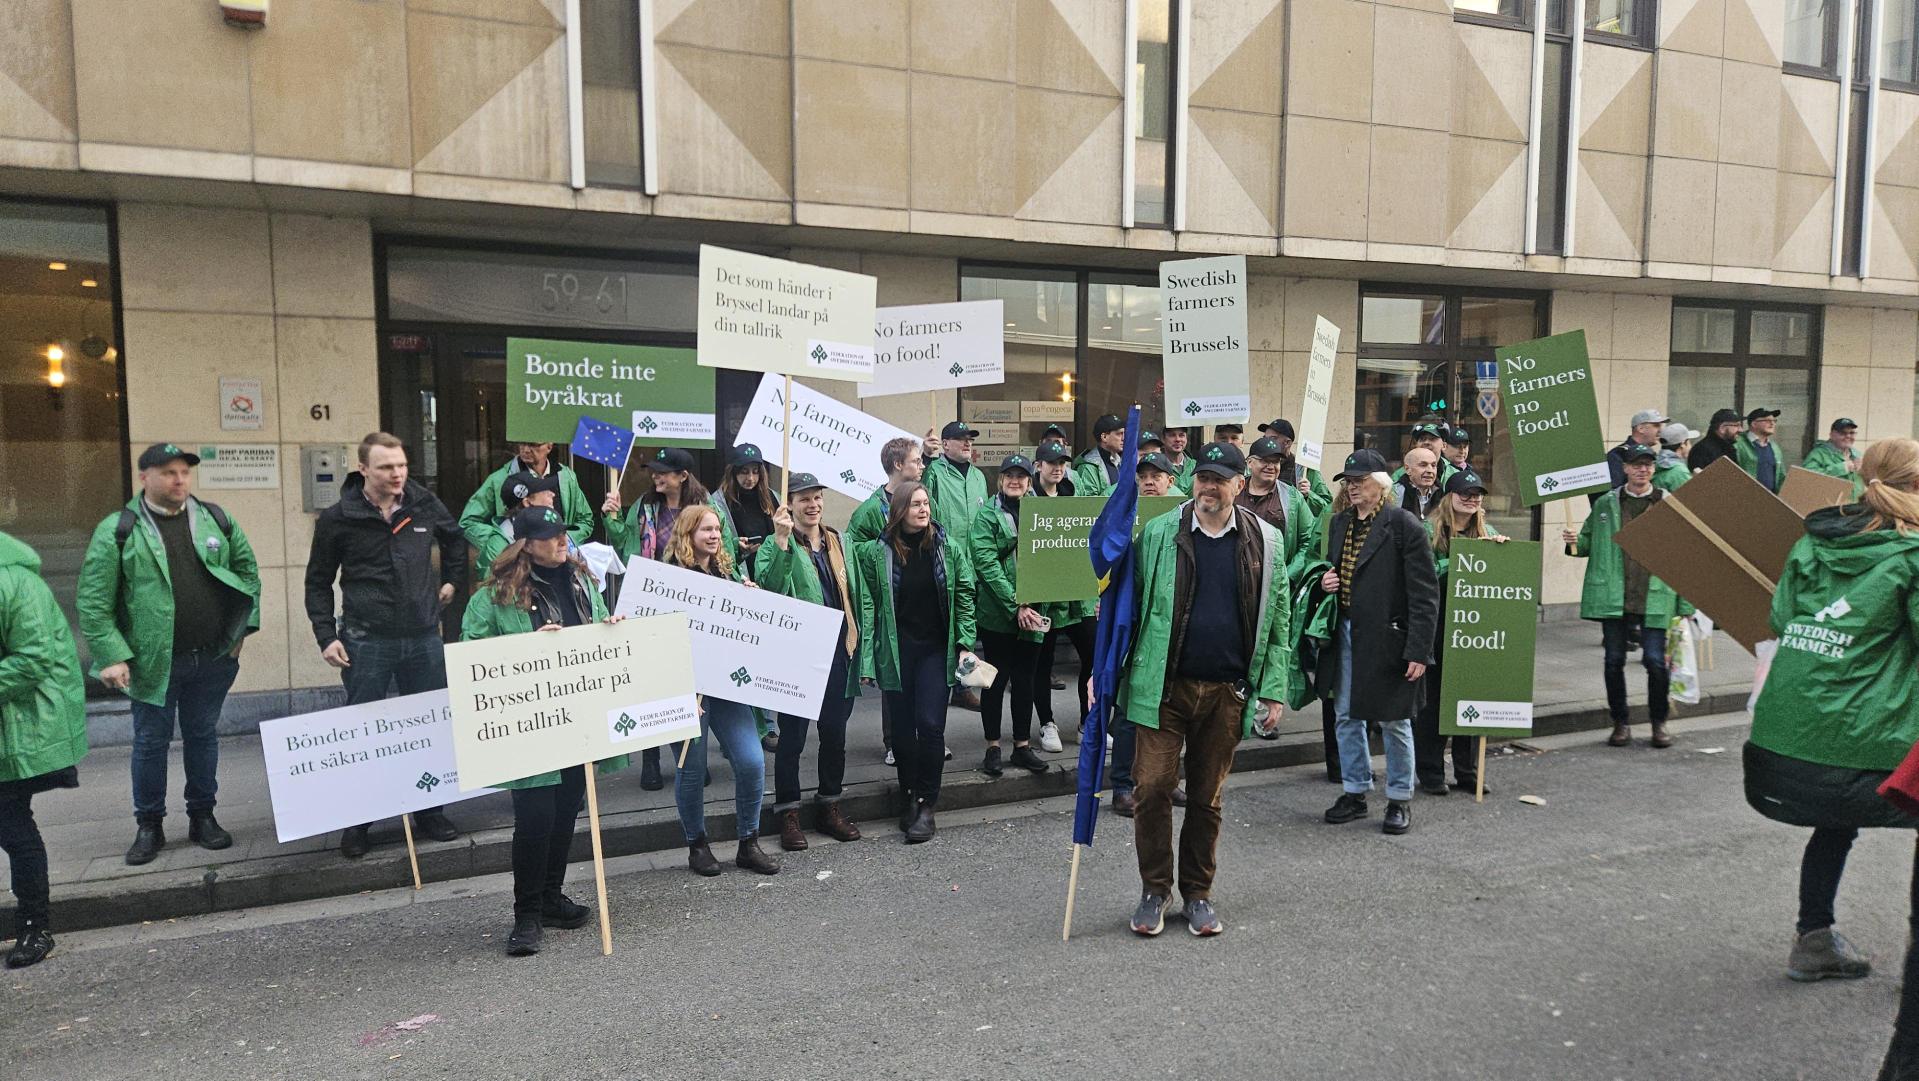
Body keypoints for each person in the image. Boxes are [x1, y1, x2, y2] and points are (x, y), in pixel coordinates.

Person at [1742, 439, 1919, 994]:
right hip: (1872, 729)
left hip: (1792, 728)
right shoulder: (1912, 555)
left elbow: (1780, 617)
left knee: (1835, 822)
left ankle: (1813, 937)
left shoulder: (1814, 541)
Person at [1118, 441, 1292, 937]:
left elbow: (1279, 617)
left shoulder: (1267, 541)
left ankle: (1198, 893)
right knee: (1152, 788)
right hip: (1162, 687)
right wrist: (1103, 673)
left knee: (1206, 798)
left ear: (1240, 484)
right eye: (1202, 478)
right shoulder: (1158, 533)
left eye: (1219, 479)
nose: (1209, 487)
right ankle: (1155, 890)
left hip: (1227, 693)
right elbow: (1128, 608)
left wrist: (1273, 688)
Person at [76, 443, 260, 865]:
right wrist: (112, 655)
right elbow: (93, 602)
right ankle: (149, 825)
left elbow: (248, 573)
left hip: (212, 657)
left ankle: (203, 817)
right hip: (152, 661)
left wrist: (241, 631)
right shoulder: (119, 529)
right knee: (150, 742)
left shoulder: (215, 519)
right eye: (168, 473)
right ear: (145, 478)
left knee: (202, 736)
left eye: (184, 472)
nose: (179, 480)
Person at [459, 506, 628, 956]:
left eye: (563, 534)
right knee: (535, 820)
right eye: (551, 536)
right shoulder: (493, 597)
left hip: (576, 720)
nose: (561, 541)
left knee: (564, 813)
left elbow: (594, 633)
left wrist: (609, 631)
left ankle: (551, 898)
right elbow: (473, 655)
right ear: (525, 544)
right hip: (529, 725)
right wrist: (527, 649)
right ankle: (527, 915)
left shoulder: (581, 582)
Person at [304, 432, 467, 858]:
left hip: (422, 635)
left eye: (402, 465)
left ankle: (429, 811)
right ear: (363, 469)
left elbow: (455, 538)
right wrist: (326, 636)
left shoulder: (423, 503)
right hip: (366, 640)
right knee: (365, 733)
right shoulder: (339, 517)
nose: (397, 474)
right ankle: (360, 821)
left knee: (428, 727)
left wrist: (452, 579)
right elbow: (317, 581)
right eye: (386, 467)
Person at [1320, 450, 1439, 835]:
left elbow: (1425, 594)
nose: (1352, 487)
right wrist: (1326, 580)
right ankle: (1355, 791)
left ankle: (1399, 798)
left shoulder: (1404, 525)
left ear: (1382, 485)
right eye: (1349, 481)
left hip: (1389, 636)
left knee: (1394, 719)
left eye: (1360, 481)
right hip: (1346, 630)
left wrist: (1419, 650)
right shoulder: (1340, 522)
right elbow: (1334, 570)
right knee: (1345, 714)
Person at [851, 482, 978, 844]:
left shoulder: (946, 547)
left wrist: (965, 642)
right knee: (903, 733)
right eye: (915, 505)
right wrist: (868, 658)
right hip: (897, 652)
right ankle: (909, 795)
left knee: (931, 726)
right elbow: (865, 597)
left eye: (926, 503)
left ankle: (926, 804)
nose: (924, 510)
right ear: (899, 511)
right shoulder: (878, 552)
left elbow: (965, 593)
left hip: (936, 651)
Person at [660, 503, 779, 876]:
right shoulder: (669, 578)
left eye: (716, 529)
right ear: (688, 534)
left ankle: (749, 842)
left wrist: (749, 599)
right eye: (706, 530)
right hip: (686, 689)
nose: (714, 535)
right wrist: (678, 688)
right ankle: (697, 845)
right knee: (691, 768)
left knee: (751, 761)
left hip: (725, 685)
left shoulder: (727, 572)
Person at [755, 473, 863, 851]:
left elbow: (856, 594)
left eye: (817, 497)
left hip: (839, 651)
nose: (813, 505)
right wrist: (781, 542)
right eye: (804, 499)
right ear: (789, 505)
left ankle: (829, 806)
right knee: (793, 739)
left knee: (834, 734)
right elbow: (769, 589)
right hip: (797, 654)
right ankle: (788, 813)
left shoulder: (839, 541)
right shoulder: (774, 543)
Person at [0, 530, 89, 968]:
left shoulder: (16, 582)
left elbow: (32, 659)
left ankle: (35, 926)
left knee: (13, 827)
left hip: (16, 726)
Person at [1562, 444, 1679, 748]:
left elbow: (1683, 554)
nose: (1643, 470)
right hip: (1614, 596)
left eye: (1648, 465)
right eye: (1636, 465)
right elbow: (1586, 543)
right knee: (1614, 660)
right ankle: (1620, 722)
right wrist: (1574, 540)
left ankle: (1659, 722)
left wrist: (1686, 604)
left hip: (1655, 595)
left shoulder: (1667, 504)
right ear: (1625, 468)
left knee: (1655, 661)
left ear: (1654, 469)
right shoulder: (1606, 503)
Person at [1106, 451, 1188, 817]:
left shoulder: (1186, 517)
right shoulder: (1125, 513)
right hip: (1135, 627)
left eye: (1157, 475)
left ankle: (1166, 779)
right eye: (1144, 476)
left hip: (1174, 628)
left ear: (1171, 480)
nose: (1150, 481)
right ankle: (1123, 785)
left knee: (1172, 710)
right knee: (1129, 710)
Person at [1415, 470, 1506, 795]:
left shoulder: (1487, 531)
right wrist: (1462, 560)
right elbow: (1421, 573)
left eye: (1477, 494)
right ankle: (1431, 771)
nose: (1472, 499)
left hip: (1474, 625)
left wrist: (1500, 553)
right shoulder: (1427, 530)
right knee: (1434, 701)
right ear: (1449, 497)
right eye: (1465, 493)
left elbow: (1502, 574)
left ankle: (1468, 771)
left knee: (1471, 693)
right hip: (1437, 624)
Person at [969, 455, 1051, 777]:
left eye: (1021, 476)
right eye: (1009, 475)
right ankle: (992, 747)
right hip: (997, 614)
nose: (1015, 481)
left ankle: (1021, 746)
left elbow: (1053, 555)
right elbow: (986, 565)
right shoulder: (986, 516)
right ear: (1000, 480)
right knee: (995, 679)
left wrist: (1034, 605)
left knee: (1025, 679)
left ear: (1030, 481)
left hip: (1035, 612)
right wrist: (1016, 604)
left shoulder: (1043, 513)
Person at [1032, 441, 1096, 755]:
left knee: (1093, 656)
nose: (1058, 468)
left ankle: (1087, 722)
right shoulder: (1029, 498)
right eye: (1051, 463)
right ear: (1038, 466)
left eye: (1062, 463)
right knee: (1041, 664)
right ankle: (1047, 723)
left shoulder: (1073, 495)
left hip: (1075, 596)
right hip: (1042, 596)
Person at [603, 446, 733, 566]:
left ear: (683, 476)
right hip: (652, 581)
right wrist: (613, 516)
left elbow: (725, 551)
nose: (654, 476)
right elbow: (626, 544)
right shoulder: (644, 506)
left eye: (662, 472)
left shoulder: (707, 507)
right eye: (654, 471)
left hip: (696, 581)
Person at [457, 440, 592, 550]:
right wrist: (503, 543)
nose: (526, 449)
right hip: (519, 565)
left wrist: (566, 541)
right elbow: (468, 523)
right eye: (522, 443)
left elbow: (585, 519)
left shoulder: (566, 477)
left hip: (559, 563)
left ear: (549, 446)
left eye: (533, 444)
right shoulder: (499, 480)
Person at [1239, 436, 1321, 580]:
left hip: (1276, 584)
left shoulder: (1292, 497)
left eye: (1276, 461)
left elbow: (1309, 541)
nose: (1271, 466)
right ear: (1249, 463)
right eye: (1264, 460)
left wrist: (1287, 576)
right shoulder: (1233, 492)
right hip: (1237, 580)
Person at [473, 471, 569, 565]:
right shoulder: (498, 545)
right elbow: (492, 574)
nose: (552, 494)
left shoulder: (555, 527)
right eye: (544, 491)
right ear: (527, 502)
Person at [847, 436, 925, 546]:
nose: (922, 466)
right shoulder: (871, 509)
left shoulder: (925, 501)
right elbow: (851, 547)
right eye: (917, 462)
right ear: (898, 465)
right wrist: (885, 546)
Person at [717, 443, 779, 574]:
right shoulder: (719, 502)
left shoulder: (773, 497)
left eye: (755, 472)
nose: (750, 478)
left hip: (771, 570)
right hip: (739, 572)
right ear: (733, 472)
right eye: (744, 472)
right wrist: (736, 547)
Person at [923, 421, 989, 540]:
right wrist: (926, 455)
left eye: (969, 439)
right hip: (946, 548)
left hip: (976, 549)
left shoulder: (978, 476)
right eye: (960, 439)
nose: (967, 443)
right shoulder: (933, 471)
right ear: (945, 444)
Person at [1803, 418, 1864, 500]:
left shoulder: (1858, 455)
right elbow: (1807, 478)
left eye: (1852, 433)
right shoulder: (1818, 454)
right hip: (1830, 506)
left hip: (1856, 505)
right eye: (1843, 433)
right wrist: (1841, 468)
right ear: (1832, 435)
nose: (1848, 436)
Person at [1606, 409, 1667, 490]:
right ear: (1640, 428)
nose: (1660, 430)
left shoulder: (1653, 454)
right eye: (1656, 425)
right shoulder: (1618, 455)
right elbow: (1612, 491)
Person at [1736, 406, 1787, 493]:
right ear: (1754, 424)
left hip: (1770, 498)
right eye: (1767, 420)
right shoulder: (1738, 443)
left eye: (1774, 421)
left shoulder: (1775, 447)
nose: (1772, 423)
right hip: (1745, 497)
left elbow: (1781, 476)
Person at [1073, 414, 1127, 496]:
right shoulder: (1088, 466)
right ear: (1104, 437)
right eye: (1119, 434)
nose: (1123, 438)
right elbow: (1090, 502)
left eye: (1124, 433)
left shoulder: (1122, 461)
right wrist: (1121, 486)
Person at [1393, 446, 1444, 519]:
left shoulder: (1442, 493)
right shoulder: (1395, 493)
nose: (1430, 470)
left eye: (1433, 465)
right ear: (1407, 469)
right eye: (1423, 465)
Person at [1688, 408, 1744, 472]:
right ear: (1722, 428)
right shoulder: (1701, 451)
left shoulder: (1728, 447)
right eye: (1737, 425)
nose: (1741, 430)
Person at [1653, 422, 1696, 492]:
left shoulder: (1655, 462)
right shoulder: (1679, 471)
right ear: (1683, 444)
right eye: (1689, 442)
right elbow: (1690, 495)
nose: (1690, 446)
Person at [1162, 427, 1196, 491]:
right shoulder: (1157, 466)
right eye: (1172, 435)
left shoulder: (1195, 466)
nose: (1177, 439)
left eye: (1181, 435)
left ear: (1186, 438)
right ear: (1163, 439)